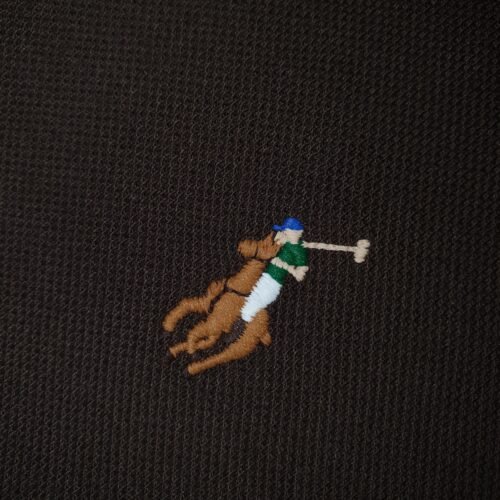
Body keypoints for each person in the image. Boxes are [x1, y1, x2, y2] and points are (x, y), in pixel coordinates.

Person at [240, 217, 309, 323]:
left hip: (275, 281)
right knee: (254, 296)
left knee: (259, 300)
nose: (283, 233)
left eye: (285, 231)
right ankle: (243, 317)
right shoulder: (287, 242)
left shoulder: (299, 251)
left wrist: (291, 269)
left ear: (294, 232)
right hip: (267, 275)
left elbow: (301, 272)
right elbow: (277, 238)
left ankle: (243, 321)